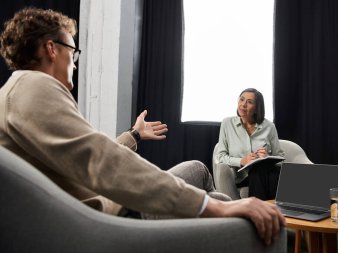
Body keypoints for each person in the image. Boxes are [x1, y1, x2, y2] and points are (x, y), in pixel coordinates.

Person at [0, 7, 285, 245]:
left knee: (218, 197)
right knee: (204, 177)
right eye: (73, 52)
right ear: (52, 48)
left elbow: (83, 153)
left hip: (103, 208)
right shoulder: (34, 86)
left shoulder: (19, 94)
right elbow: (103, 162)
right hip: (115, 215)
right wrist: (218, 207)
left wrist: (135, 134)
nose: (74, 62)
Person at [216, 88, 285, 200]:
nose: (243, 105)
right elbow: (220, 157)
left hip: (267, 173)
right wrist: (242, 161)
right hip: (243, 177)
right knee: (257, 170)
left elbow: (280, 158)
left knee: (264, 169)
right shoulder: (227, 124)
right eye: (241, 100)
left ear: (257, 108)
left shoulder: (269, 126)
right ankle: (268, 212)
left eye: (249, 102)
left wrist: (267, 157)